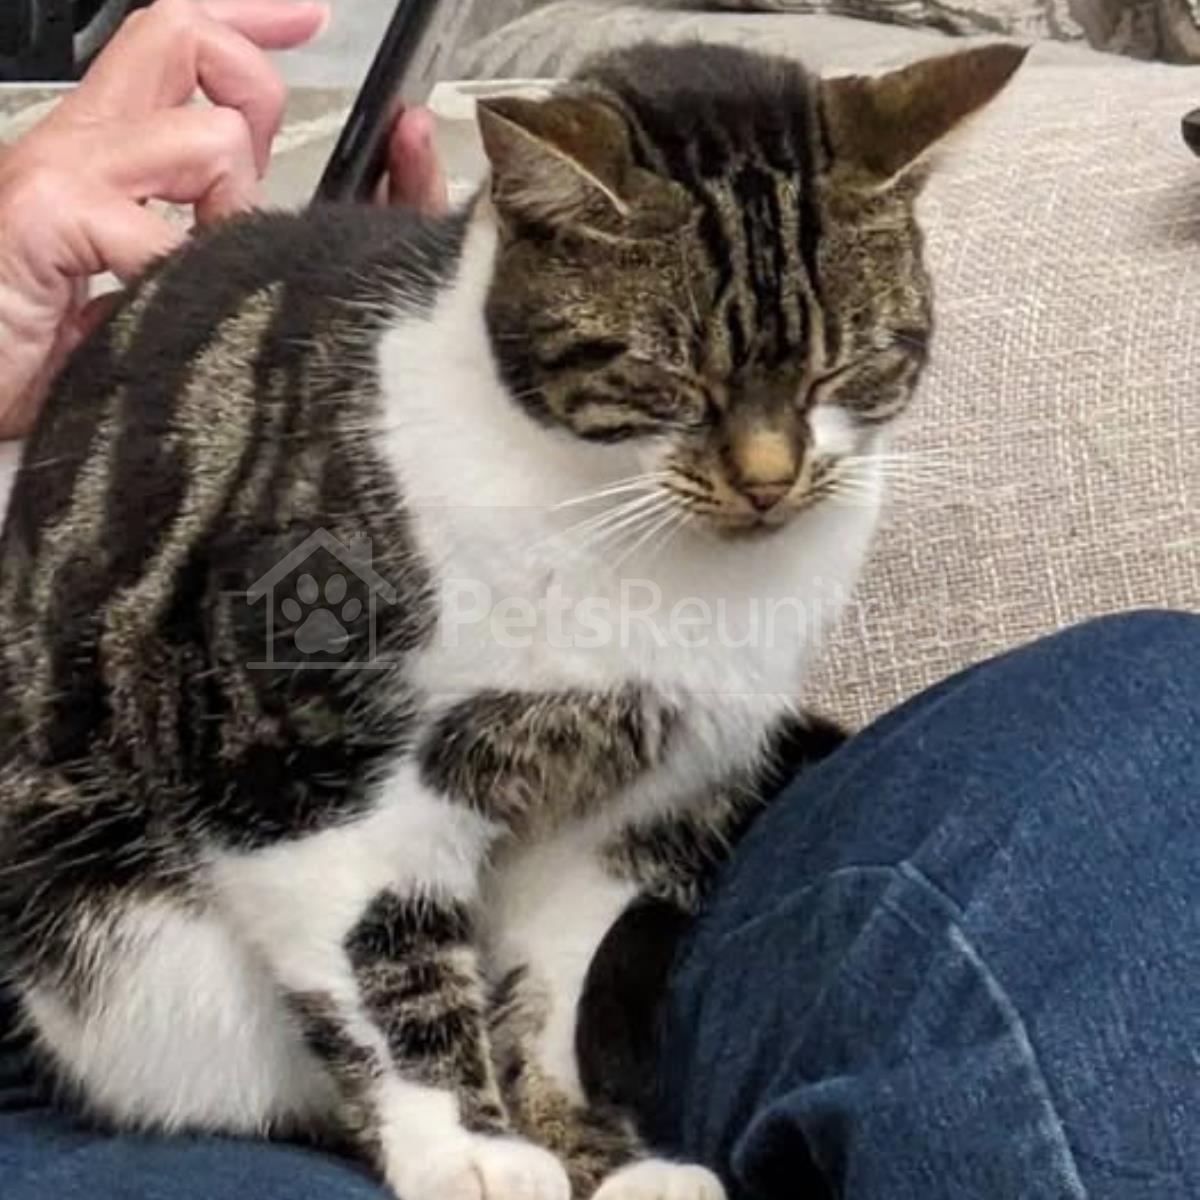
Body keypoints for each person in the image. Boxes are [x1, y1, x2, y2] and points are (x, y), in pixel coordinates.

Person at [0, 4, 1196, 1198]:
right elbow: (281, 770)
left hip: (635, 939)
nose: (769, 472)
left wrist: (564, 1116)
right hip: (210, 982)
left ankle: (566, 1116)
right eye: (682, 392)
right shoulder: (369, 482)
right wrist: (451, 1115)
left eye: (830, 383)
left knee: (1146, 701)